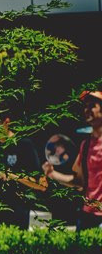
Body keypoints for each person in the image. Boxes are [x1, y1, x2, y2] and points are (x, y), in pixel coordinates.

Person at [43, 91, 102, 231]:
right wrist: (52, 174)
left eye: (92, 105)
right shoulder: (86, 145)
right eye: (85, 106)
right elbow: (79, 182)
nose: (87, 110)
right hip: (87, 216)